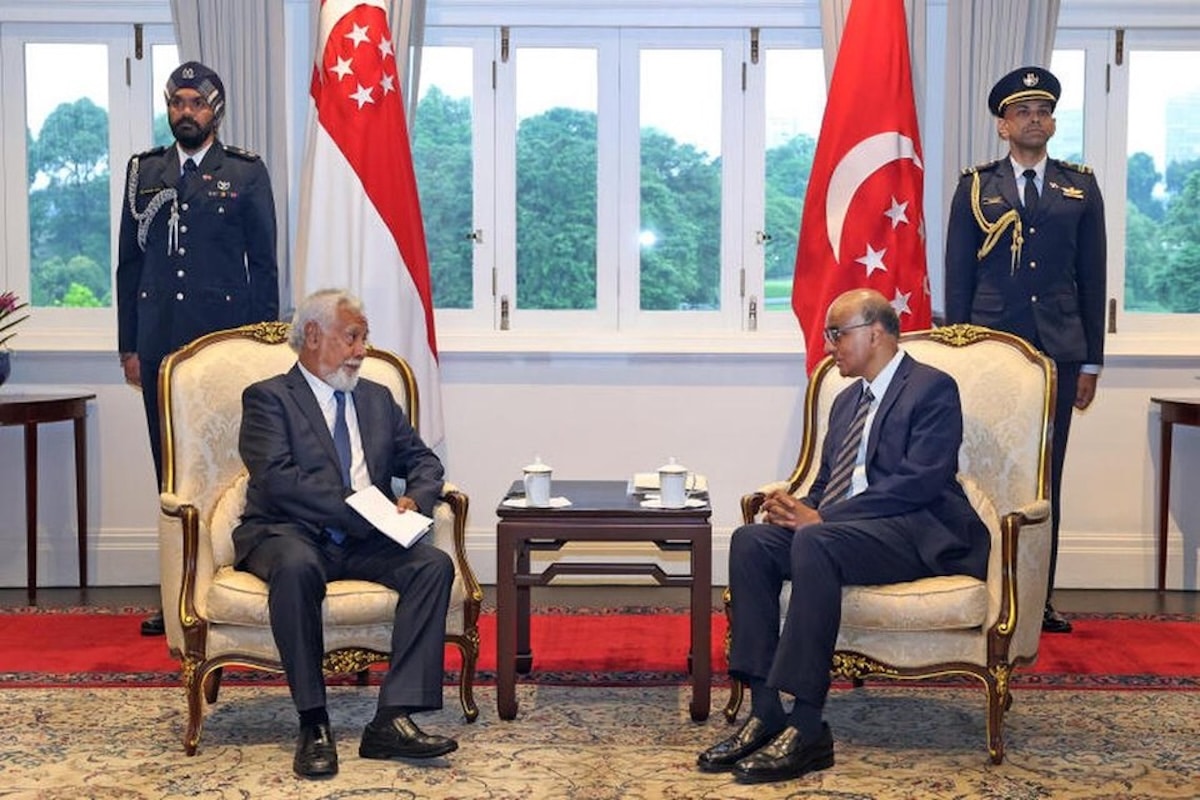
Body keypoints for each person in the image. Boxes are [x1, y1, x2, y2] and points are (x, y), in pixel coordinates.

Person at [697, 289, 989, 785]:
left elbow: (918, 482)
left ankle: (808, 726)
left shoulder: (932, 388)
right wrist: (794, 509)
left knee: (816, 540)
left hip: (913, 531)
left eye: (837, 333)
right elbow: (828, 481)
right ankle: (766, 712)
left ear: (875, 333)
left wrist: (821, 519)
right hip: (845, 532)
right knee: (751, 543)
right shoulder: (847, 399)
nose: (829, 345)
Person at [233, 289, 457, 779]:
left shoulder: (376, 398)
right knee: (297, 568)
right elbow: (279, 480)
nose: (361, 350)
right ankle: (313, 722)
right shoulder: (269, 398)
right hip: (288, 532)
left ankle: (392, 718)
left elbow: (423, 461)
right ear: (313, 335)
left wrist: (414, 499)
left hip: (364, 540)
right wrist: (364, 511)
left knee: (433, 566)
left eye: (364, 338)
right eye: (352, 337)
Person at [116, 61, 279, 637]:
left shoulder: (245, 173)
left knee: (229, 471)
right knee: (170, 473)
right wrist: (129, 345)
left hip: (223, 347)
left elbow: (264, 266)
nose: (185, 112)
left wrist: (263, 347)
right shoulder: (145, 171)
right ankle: (174, 595)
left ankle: (232, 585)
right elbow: (128, 264)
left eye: (196, 103)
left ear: (216, 111)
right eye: (177, 102)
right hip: (160, 345)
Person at [944, 66, 1106, 635]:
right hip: (992, 350)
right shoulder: (975, 187)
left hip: (1059, 352)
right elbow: (958, 277)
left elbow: (1093, 277)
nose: (1034, 120)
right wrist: (959, 354)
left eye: (1043, 112)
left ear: (1053, 124)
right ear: (1003, 125)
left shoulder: (1079, 187)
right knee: (982, 471)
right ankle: (979, 587)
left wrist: (1091, 361)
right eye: (1023, 112)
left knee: (1045, 475)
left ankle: (1038, 599)